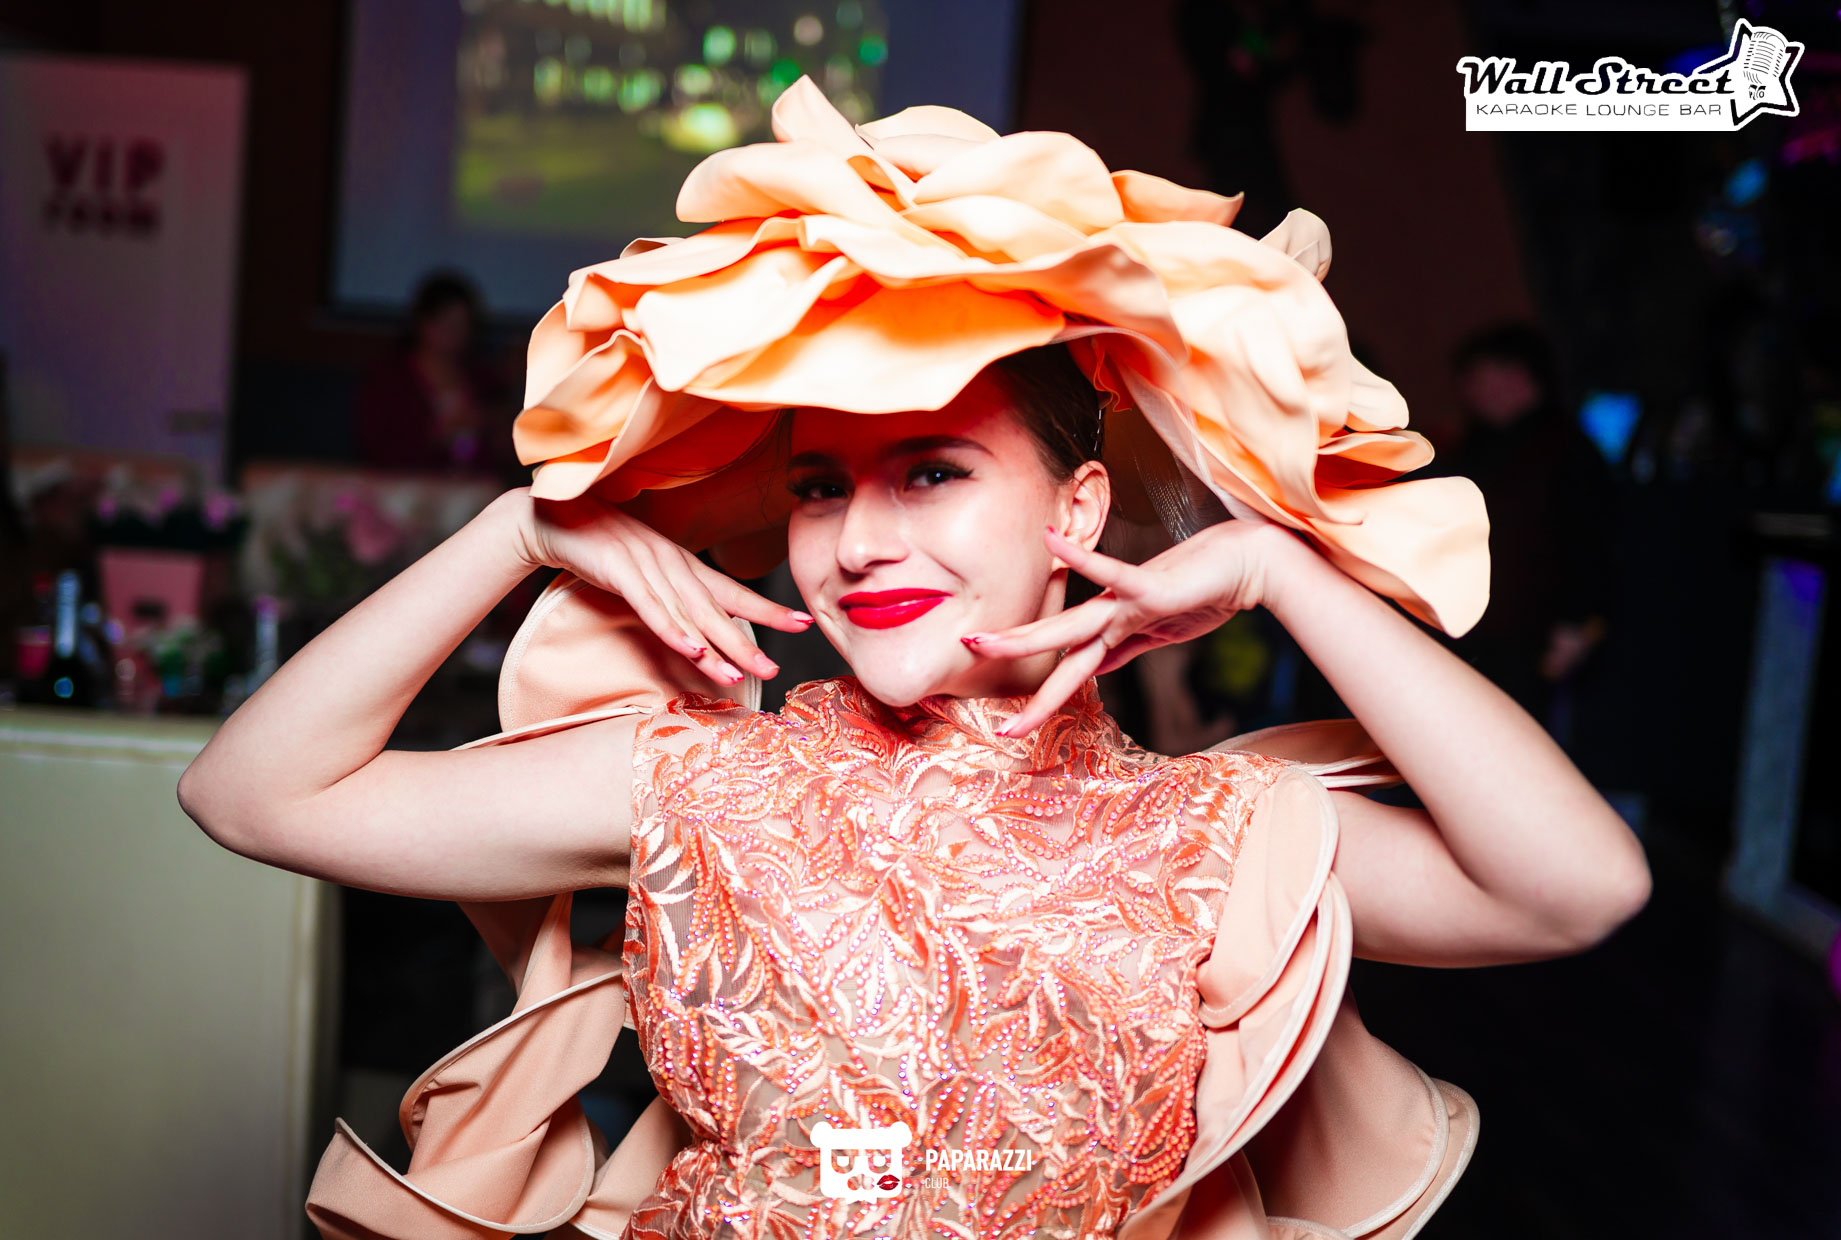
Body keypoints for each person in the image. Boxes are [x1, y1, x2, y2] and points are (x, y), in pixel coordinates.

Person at [178, 80, 1650, 1240]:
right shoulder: (702, 786)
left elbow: (1576, 886)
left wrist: (1282, 574)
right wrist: (521, 529)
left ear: (1077, 510)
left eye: (932, 471)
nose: (860, 541)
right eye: (822, 485)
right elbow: (253, 796)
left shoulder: (1206, 837)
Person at [1425, 323, 1619, 728]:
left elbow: (1591, 541)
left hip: (1530, 639)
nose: (1469, 390)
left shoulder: (1566, 449)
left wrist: (1576, 623)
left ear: (1517, 375)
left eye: (1478, 376)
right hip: (1470, 630)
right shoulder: (1478, 445)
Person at [353, 271, 518, 481]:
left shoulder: (484, 379)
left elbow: (509, 450)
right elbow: (375, 450)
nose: (454, 334)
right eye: (445, 323)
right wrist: (436, 436)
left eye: (462, 325)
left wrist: (488, 423)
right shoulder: (388, 379)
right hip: (406, 489)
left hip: (474, 491)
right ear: (423, 322)